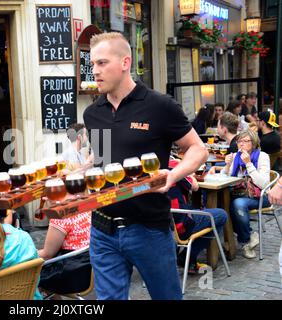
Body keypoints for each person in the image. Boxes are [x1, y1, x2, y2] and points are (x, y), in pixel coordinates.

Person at [83, 32, 208, 300]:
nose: (95, 71)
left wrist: (173, 175)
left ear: (125, 62)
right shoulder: (92, 113)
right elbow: (104, 158)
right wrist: (78, 173)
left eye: (102, 63)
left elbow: (198, 149)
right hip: (102, 229)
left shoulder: (159, 105)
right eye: (92, 64)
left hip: (148, 228)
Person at [167, 159, 227, 274]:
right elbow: (195, 186)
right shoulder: (172, 165)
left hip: (157, 227)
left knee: (193, 208)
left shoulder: (142, 170)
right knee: (221, 215)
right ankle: (187, 258)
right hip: (179, 226)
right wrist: (189, 172)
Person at [220, 130, 270, 259]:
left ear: (253, 143)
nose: (241, 144)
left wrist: (249, 164)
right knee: (222, 203)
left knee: (237, 204)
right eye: (239, 141)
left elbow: (264, 184)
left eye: (245, 141)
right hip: (239, 193)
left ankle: (244, 241)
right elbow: (225, 179)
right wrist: (227, 166)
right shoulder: (235, 156)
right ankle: (247, 237)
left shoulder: (262, 156)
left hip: (261, 196)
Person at [38, 209, 91, 295]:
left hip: (70, 274)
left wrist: (29, 254)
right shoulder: (87, 209)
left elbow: (47, 254)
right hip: (90, 270)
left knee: (30, 275)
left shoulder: (60, 217)